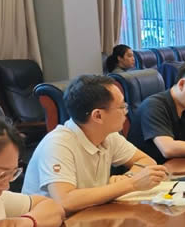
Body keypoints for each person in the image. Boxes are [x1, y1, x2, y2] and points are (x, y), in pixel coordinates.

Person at [22, 75, 168, 214]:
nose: (126, 112)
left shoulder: (108, 135)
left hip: (89, 215)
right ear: (98, 115)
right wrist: (131, 184)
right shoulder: (58, 143)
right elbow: (65, 200)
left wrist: (128, 177)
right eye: (121, 106)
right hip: (54, 225)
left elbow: (146, 161)